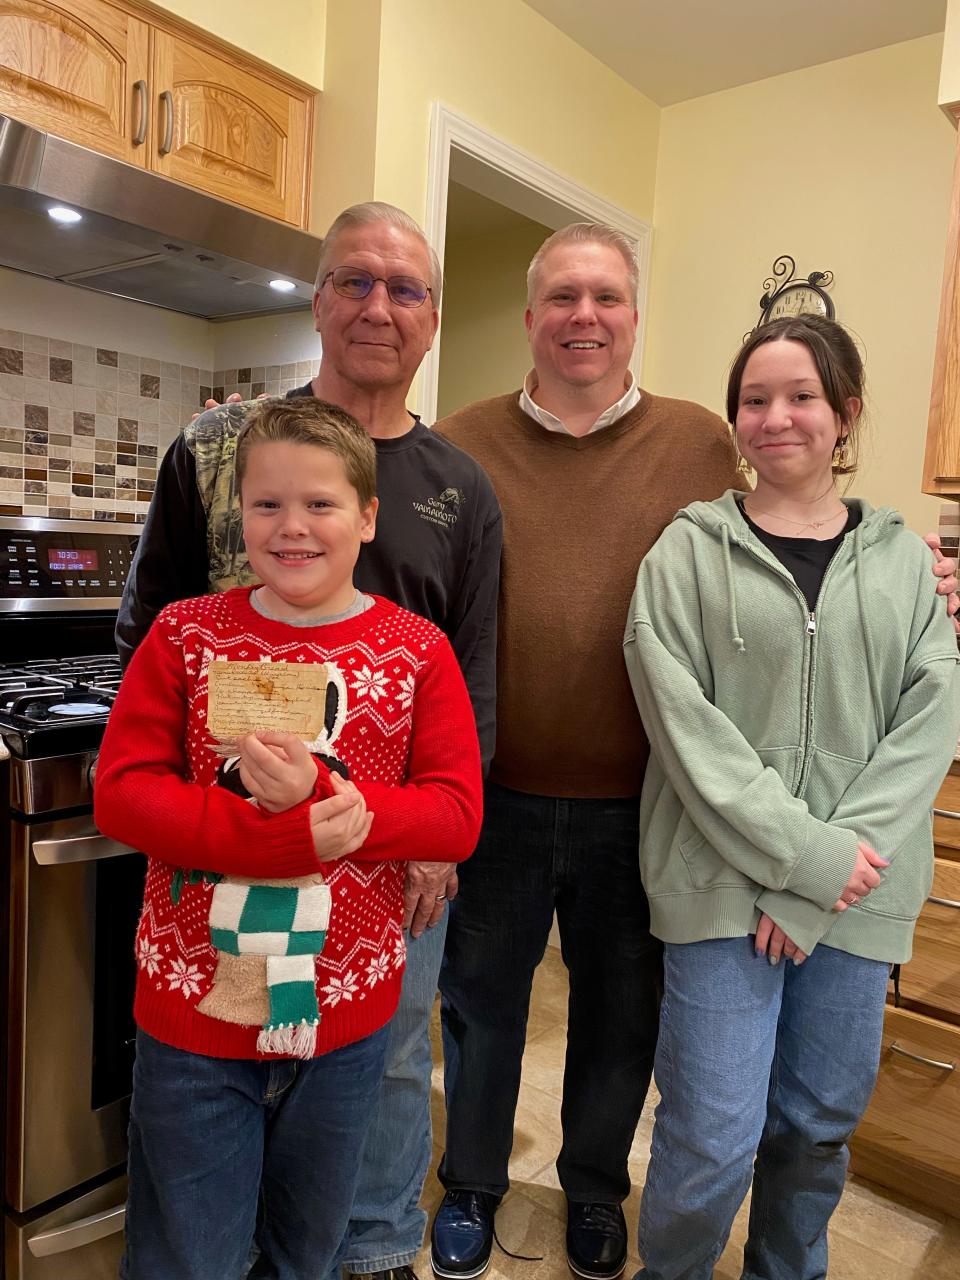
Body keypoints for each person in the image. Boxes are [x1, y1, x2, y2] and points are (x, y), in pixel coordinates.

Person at [429, 224, 959, 1280]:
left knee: (622, 1016)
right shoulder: (459, 442)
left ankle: (591, 1188)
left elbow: (836, 557)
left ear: (635, 315)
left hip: (645, 798)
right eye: (564, 297)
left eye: (609, 296)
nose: (586, 315)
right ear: (530, 317)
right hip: (510, 790)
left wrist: (932, 574)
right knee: (483, 1000)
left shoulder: (705, 443)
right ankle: (475, 1180)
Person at [115, 203, 502, 1280]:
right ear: (318, 298)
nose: (379, 306)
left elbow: (471, 680)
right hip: (206, 890)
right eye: (353, 281)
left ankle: (370, 1251)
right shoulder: (215, 445)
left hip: (376, 881)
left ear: (433, 319)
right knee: (201, 1153)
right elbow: (147, 626)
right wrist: (239, 820)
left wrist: (426, 835)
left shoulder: (458, 487)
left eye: (406, 288)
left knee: (365, 1079)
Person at [623, 315, 960, 1280]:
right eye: (754, 400)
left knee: (815, 1128)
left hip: (860, 896)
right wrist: (801, 861)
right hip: (720, 889)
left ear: (845, 413)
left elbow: (930, 722)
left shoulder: (905, 563)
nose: (776, 418)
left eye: (801, 396)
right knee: (711, 1135)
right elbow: (685, 728)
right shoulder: (685, 552)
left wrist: (820, 883)